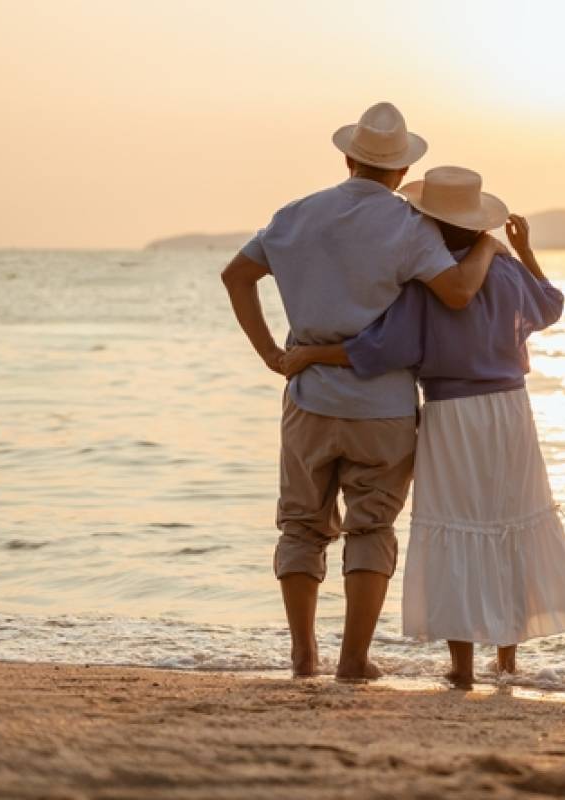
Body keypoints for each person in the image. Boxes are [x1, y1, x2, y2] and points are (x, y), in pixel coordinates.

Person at [220, 102, 504, 681]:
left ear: (348, 157)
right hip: (384, 406)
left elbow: (237, 275)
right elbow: (454, 294)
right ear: (402, 172)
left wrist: (273, 354)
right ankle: (353, 660)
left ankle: (303, 657)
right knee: (371, 527)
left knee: (301, 525)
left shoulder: (296, 214)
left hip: (309, 397)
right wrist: (484, 247)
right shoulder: (409, 225)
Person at [279, 166, 565, 689]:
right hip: (512, 413)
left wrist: (311, 352)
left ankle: (462, 667)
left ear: (433, 225)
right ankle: (507, 660)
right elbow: (551, 305)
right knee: (508, 519)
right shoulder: (511, 274)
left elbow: (377, 350)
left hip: (451, 416)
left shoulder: (425, 288)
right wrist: (523, 249)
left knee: (456, 526)